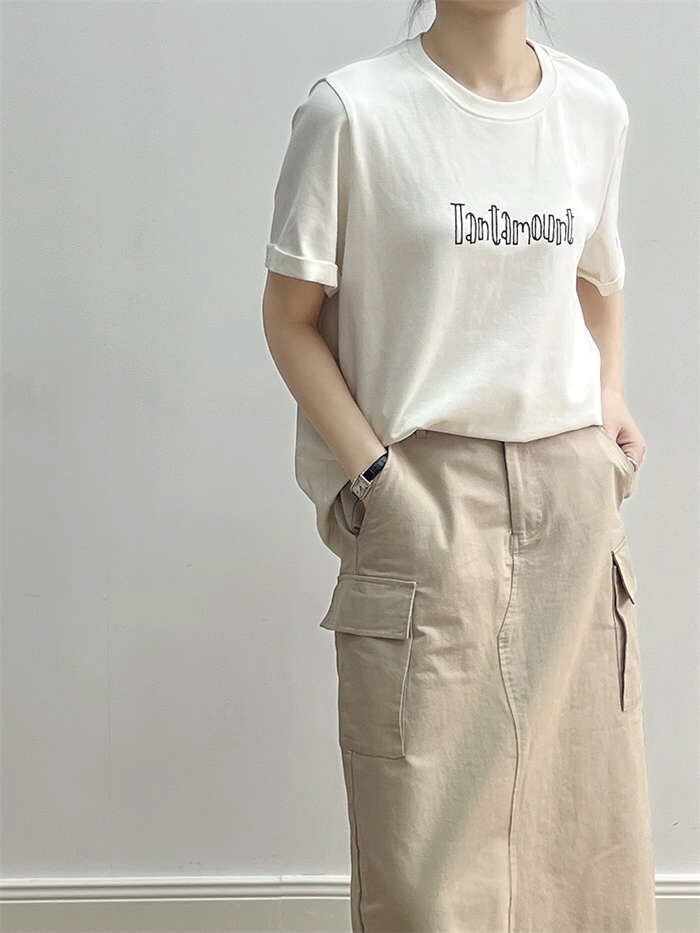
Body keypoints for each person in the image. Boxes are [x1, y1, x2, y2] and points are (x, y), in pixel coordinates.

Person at [261, 1, 656, 930]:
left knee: (587, 842)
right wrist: (374, 478)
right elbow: (289, 317)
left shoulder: (593, 109)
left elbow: (597, 279)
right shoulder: (353, 113)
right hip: (425, 497)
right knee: (424, 856)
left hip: (571, 505)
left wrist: (609, 402)